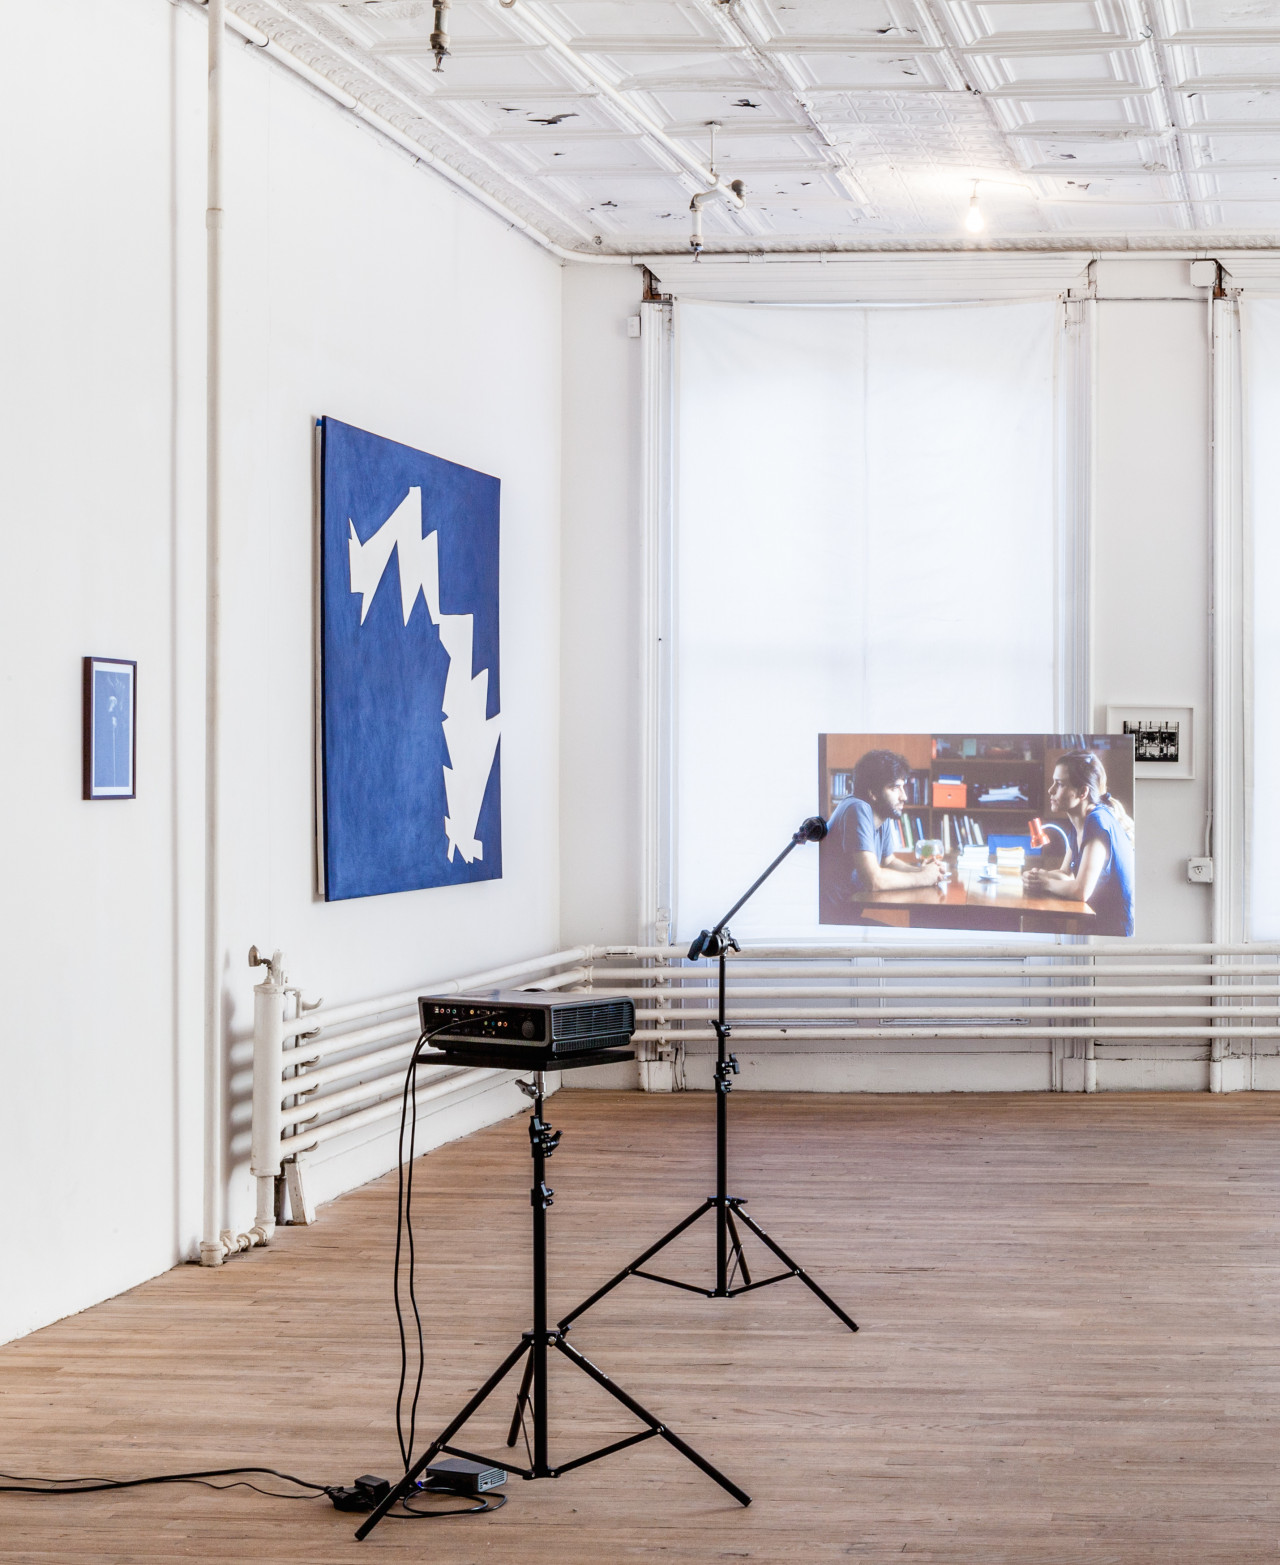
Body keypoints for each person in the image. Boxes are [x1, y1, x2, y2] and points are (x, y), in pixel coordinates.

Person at [1022, 750, 1135, 935]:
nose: (1051, 790)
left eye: (1059, 784)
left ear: (1082, 792)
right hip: (1098, 926)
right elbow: (1066, 874)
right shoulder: (1079, 823)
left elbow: (1081, 890)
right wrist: (1038, 876)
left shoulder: (1097, 822)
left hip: (1115, 933)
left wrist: (1044, 883)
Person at [821, 749, 942, 922]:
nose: (904, 796)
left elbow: (888, 861)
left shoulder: (881, 814)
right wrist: (923, 878)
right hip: (831, 919)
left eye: (903, 786)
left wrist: (926, 871)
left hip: (846, 913)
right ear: (873, 792)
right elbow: (874, 880)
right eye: (895, 788)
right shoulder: (857, 808)